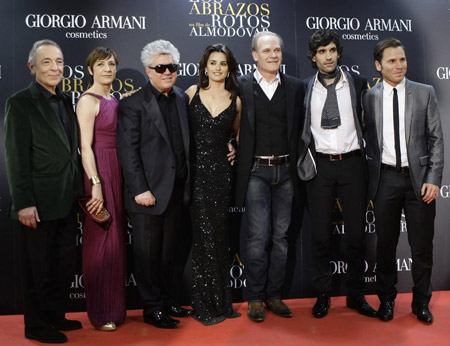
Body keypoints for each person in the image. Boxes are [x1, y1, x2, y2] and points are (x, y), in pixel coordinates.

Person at [4, 39, 83, 343]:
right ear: (32, 67)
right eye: (47, 61)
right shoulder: (20, 102)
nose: (55, 67)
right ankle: (36, 326)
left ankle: (54, 315)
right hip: (36, 202)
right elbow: (15, 156)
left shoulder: (65, 100)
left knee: (62, 264)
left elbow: (67, 151)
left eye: (59, 61)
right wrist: (23, 202)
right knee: (37, 268)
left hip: (65, 199)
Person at [362, 38, 444, 324]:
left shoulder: (424, 93)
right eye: (392, 61)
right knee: (385, 245)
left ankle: (422, 302)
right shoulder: (369, 98)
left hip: (419, 181)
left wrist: (434, 178)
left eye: (402, 59)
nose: (399, 65)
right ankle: (386, 301)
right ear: (378, 65)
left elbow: (436, 139)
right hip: (384, 179)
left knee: (422, 246)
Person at [297, 29, 377, 319]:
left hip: (353, 163)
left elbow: (371, 125)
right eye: (321, 51)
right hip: (320, 166)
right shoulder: (305, 88)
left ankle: (356, 294)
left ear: (338, 52)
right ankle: (323, 295)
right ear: (314, 56)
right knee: (320, 235)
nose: (328, 56)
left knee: (356, 235)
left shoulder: (357, 83)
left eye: (332, 50)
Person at [117, 40, 194, 329]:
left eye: (172, 67)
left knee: (168, 255)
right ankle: (151, 308)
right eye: (160, 68)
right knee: (148, 256)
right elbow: (128, 151)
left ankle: (167, 300)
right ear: (148, 71)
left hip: (177, 191)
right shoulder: (132, 103)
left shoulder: (181, 98)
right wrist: (139, 189)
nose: (167, 72)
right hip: (147, 194)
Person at [235, 31, 305, 322]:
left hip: (287, 172)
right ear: (254, 55)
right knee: (257, 237)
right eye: (267, 51)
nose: (273, 55)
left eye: (277, 49)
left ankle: (274, 295)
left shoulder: (296, 87)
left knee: (280, 238)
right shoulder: (239, 86)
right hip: (255, 172)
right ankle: (254, 297)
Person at [185, 43, 241, 325]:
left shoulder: (236, 100)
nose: (218, 68)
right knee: (202, 238)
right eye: (213, 63)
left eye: (223, 63)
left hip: (221, 175)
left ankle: (221, 303)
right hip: (195, 176)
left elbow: (238, 137)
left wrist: (233, 146)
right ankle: (204, 304)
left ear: (229, 68)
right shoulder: (191, 94)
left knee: (218, 238)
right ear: (204, 66)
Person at [76, 47, 126, 331]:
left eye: (111, 64)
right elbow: (84, 147)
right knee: (101, 242)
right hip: (99, 172)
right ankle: (100, 312)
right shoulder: (87, 100)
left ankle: (114, 309)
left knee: (116, 241)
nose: (107, 69)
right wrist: (95, 184)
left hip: (117, 171)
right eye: (101, 64)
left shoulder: (114, 100)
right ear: (90, 69)